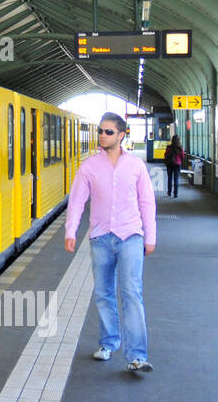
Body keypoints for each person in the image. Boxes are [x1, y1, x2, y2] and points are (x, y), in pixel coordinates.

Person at [64, 112, 157, 373]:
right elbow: (77, 201)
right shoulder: (89, 167)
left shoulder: (136, 166)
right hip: (100, 238)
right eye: (100, 131)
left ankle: (137, 355)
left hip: (131, 237)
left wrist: (150, 237)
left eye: (108, 132)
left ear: (121, 135)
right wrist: (71, 231)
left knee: (131, 294)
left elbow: (147, 202)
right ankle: (108, 343)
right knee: (104, 294)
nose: (102, 136)